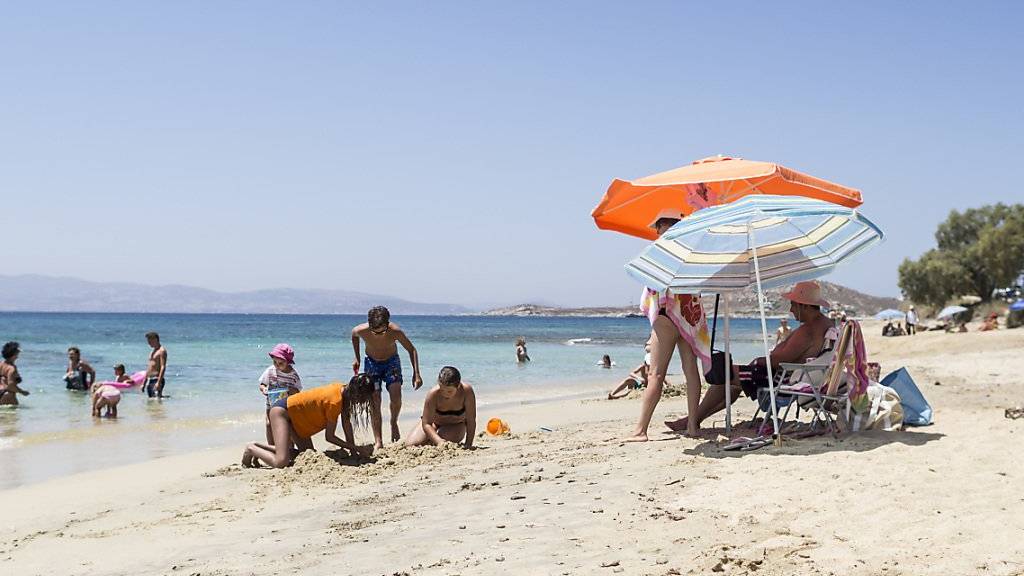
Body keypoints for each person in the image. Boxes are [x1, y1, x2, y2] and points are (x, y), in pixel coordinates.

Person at [667, 281, 835, 431]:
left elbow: (780, 361)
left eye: (793, 304)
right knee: (732, 383)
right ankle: (693, 419)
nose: (791, 310)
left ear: (804, 305)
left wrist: (760, 360)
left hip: (780, 378)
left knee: (725, 374)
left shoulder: (809, 330)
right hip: (797, 376)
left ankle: (691, 420)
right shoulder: (824, 324)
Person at [629, 209, 712, 441]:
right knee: (690, 370)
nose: (658, 231)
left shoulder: (659, 251)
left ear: (660, 227)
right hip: (690, 317)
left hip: (666, 316)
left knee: (655, 374)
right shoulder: (692, 253)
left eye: (659, 227)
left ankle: (640, 430)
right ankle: (693, 426)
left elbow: (653, 286)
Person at [242, 375, 376, 469]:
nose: (362, 402)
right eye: (363, 399)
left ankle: (257, 447)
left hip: (297, 420)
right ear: (357, 394)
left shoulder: (344, 390)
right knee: (281, 462)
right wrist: (356, 448)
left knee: (305, 454)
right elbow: (330, 437)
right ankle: (251, 449)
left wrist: (354, 454)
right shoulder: (334, 402)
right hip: (282, 411)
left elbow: (347, 425)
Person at [351, 306, 423, 448]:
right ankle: (378, 440)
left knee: (396, 397)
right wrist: (357, 358)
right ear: (369, 325)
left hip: (391, 363)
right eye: (375, 332)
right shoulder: (360, 330)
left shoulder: (395, 331)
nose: (378, 335)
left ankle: (393, 422)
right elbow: (354, 336)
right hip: (371, 363)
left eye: (382, 331)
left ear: (387, 325)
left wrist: (417, 373)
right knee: (375, 400)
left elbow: (411, 349)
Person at [404, 366, 477, 448]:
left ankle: (436, 438)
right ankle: (433, 437)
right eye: (442, 390)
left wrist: (468, 444)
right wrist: (439, 441)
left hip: (456, 425)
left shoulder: (466, 391)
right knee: (410, 445)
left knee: (441, 438)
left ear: (458, 386)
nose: (445, 394)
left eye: (449, 391)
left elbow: (471, 420)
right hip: (434, 424)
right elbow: (426, 423)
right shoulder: (433, 394)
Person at [258, 344, 302, 445]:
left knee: (287, 425)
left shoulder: (293, 375)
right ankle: (271, 446)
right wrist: (264, 389)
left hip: (285, 406)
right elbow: (262, 384)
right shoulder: (270, 370)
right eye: (274, 362)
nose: (277, 365)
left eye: (281, 363)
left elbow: (298, 392)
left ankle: (290, 446)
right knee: (269, 424)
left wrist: (291, 390)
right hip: (271, 403)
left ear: (288, 362)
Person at [0, 342, 29, 406]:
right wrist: (22, 392)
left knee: (3, 415)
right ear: (14, 355)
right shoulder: (11, 368)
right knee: (14, 414)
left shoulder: (1, 364)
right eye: (17, 353)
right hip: (8, 394)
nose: (18, 356)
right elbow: (10, 385)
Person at [144, 332, 168, 398]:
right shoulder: (153, 351)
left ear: (155, 339)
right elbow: (149, 367)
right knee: (151, 401)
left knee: (156, 401)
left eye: (149, 341)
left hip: (156, 379)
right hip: (150, 380)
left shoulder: (162, 351)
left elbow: (163, 367)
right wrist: (144, 382)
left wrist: (159, 382)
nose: (148, 343)